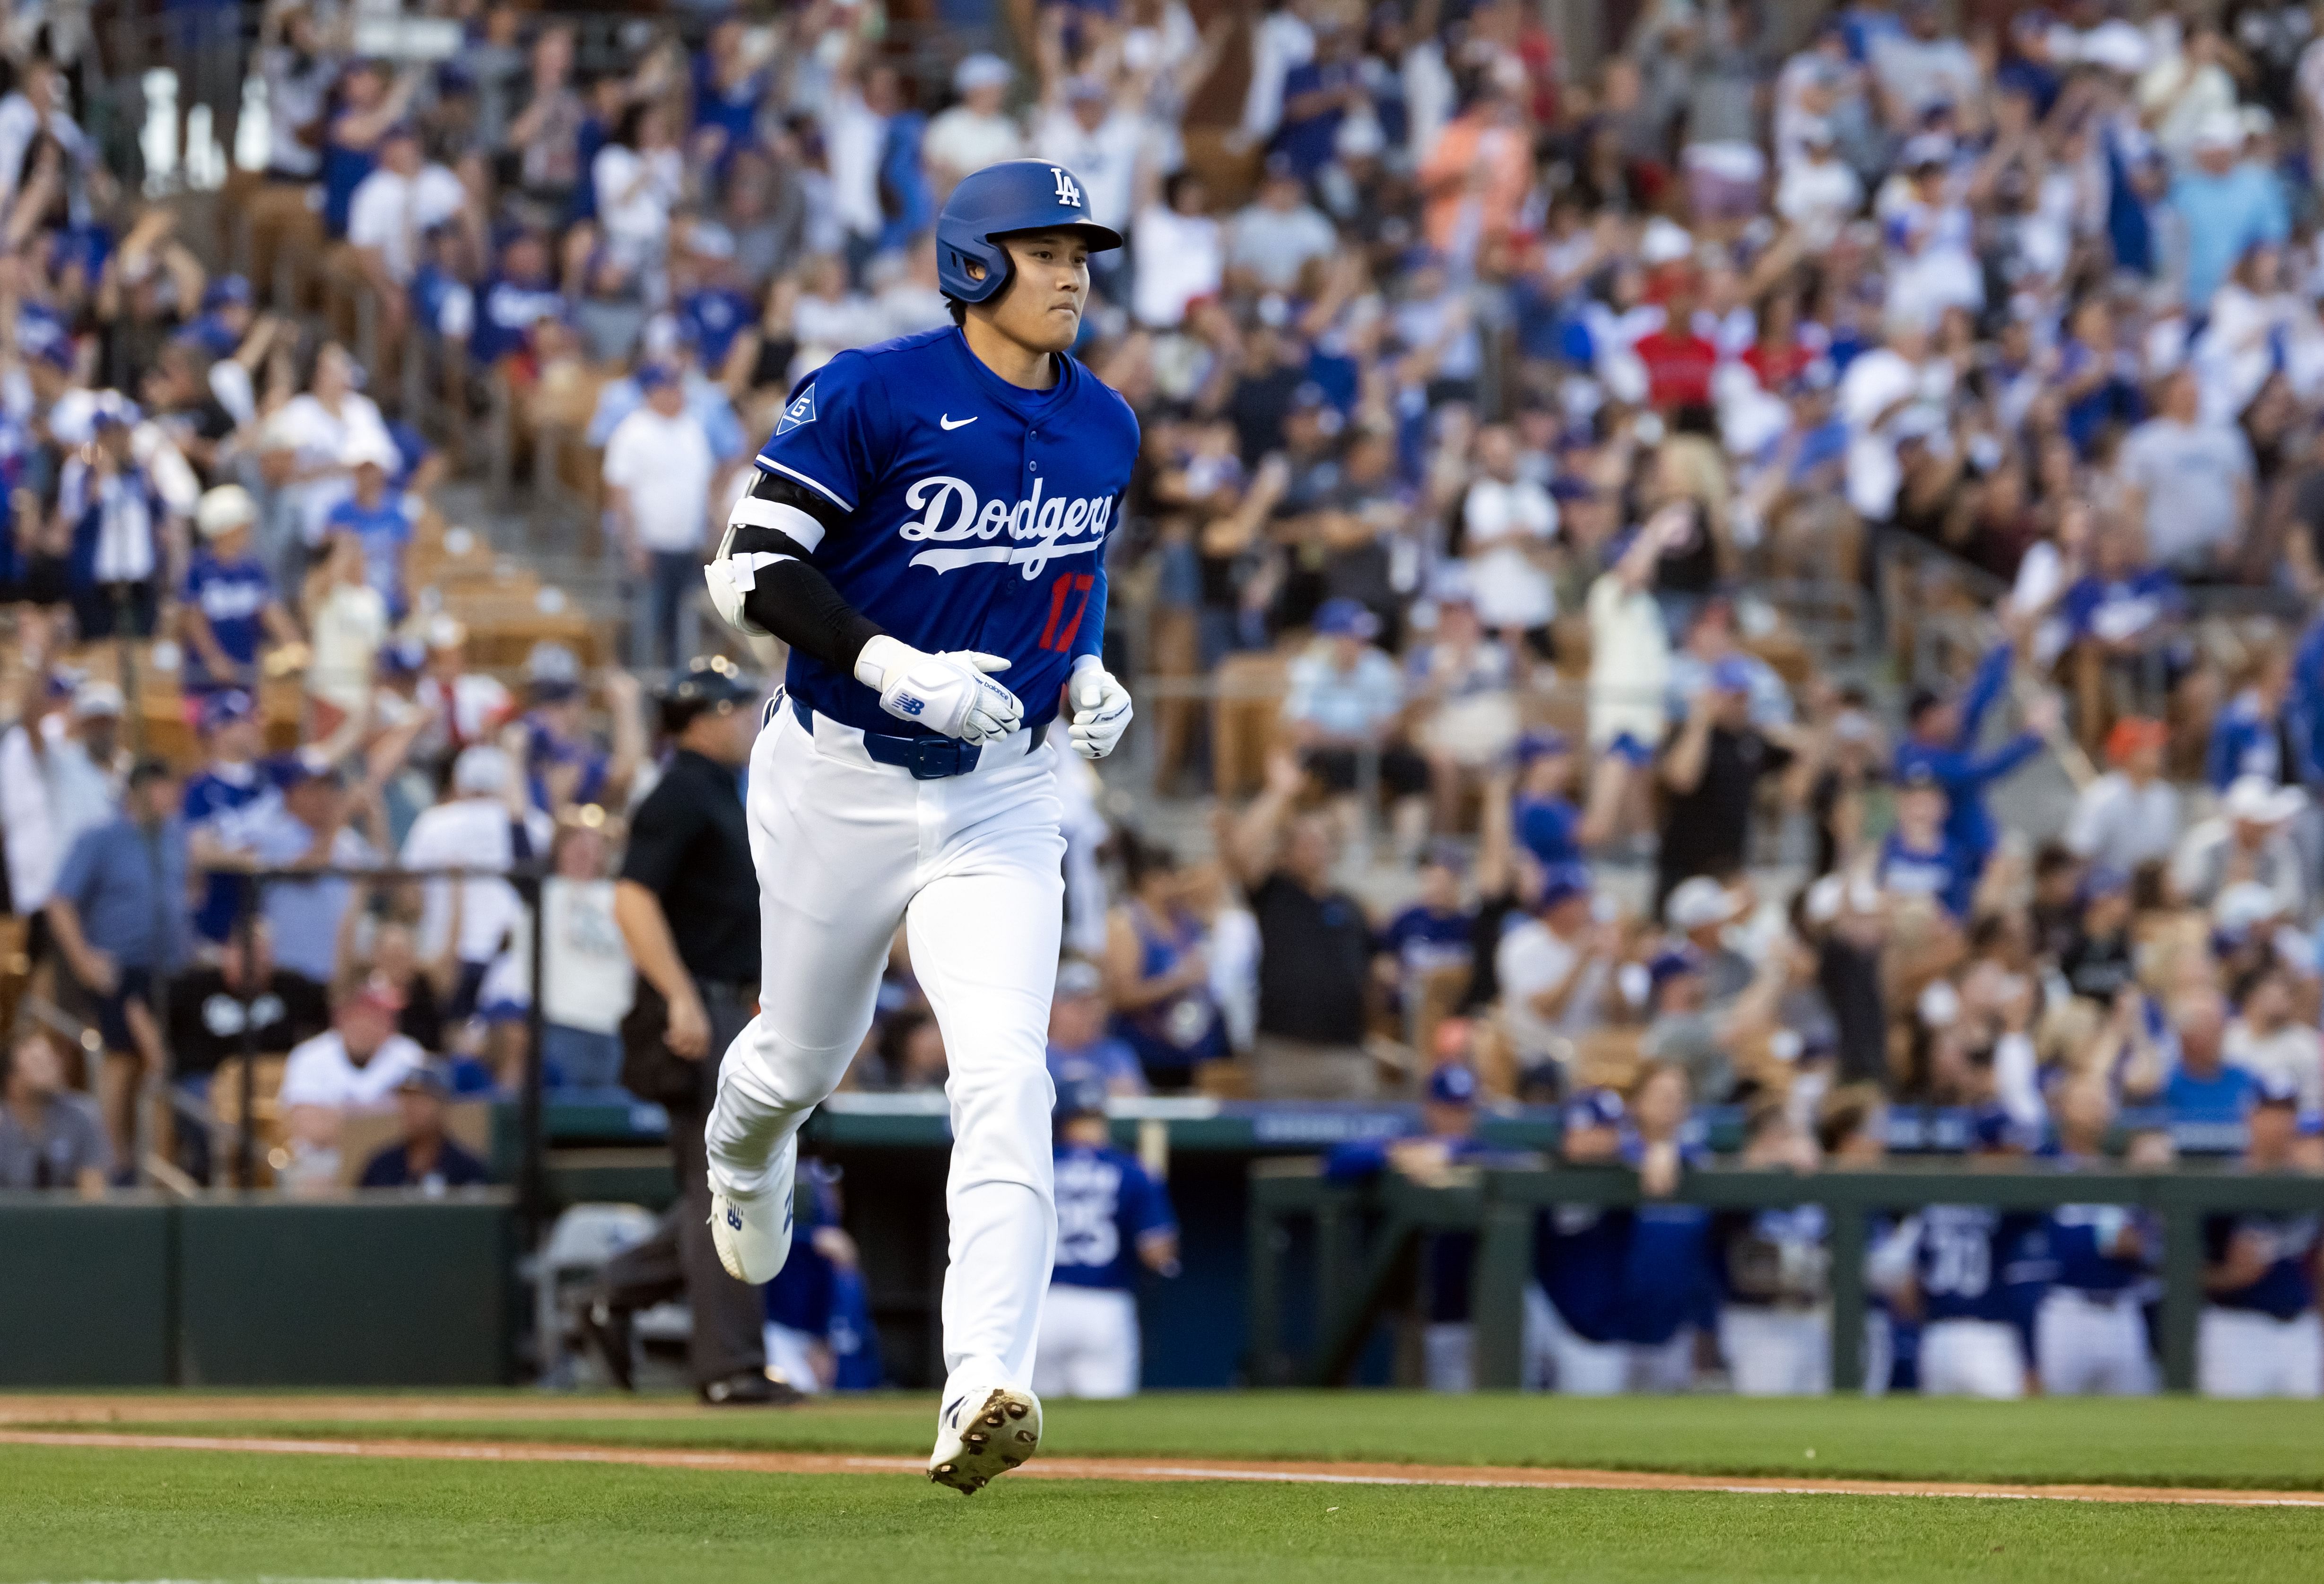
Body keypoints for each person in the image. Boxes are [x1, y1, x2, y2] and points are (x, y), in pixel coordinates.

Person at [697, 160, 1138, 1488]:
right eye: (1043, 246)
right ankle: (742, 1140)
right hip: (839, 773)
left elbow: (1066, 585)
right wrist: (890, 661)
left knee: (1007, 1072)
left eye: (1080, 250)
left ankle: (980, 1382)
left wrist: (1086, 674)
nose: (1070, 270)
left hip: (1000, 793)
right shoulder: (868, 388)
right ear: (971, 263)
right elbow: (748, 567)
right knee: (800, 1058)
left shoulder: (1104, 422)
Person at [592, 658, 780, 1407]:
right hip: (700, 1007)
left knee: (738, 1182)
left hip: (732, 1000)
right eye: (734, 709)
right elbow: (632, 899)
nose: (744, 720)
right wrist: (680, 998)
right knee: (726, 1182)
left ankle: (611, 1291)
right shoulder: (678, 791)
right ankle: (729, 1367)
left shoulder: (717, 791)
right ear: (702, 717)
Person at [44, 758, 190, 1170]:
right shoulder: (101, 838)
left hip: (170, 966)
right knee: (122, 1056)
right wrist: (85, 959)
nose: (170, 798)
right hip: (120, 965)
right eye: (163, 788)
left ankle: (162, 1157)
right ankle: (110, 1157)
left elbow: (186, 890)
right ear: (139, 792)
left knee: (168, 1059)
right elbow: (60, 903)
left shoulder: (175, 837)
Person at [1033, 1081, 1179, 1400]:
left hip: (1041, 1306)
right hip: (1105, 1306)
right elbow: (1157, 1254)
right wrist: (1156, 1189)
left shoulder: (1036, 1167)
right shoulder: (1131, 1170)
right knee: (1108, 1417)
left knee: (1033, 1421)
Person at [2199, 1078, 2322, 1397]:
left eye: (2286, 1112)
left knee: (2304, 1440)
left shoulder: (2309, 1185)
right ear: (2250, 1115)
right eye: (2269, 1110)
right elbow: (2179, 1268)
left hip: (2298, 1328)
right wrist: (2228, 1276)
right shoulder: (2219, 1185)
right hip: (2236, 1328)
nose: (2278, 1121)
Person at [2037, 1079, 2158, 1395]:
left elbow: (2145, 1240)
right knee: (2055, 1422)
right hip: (2067, 1308)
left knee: (2132, 1423)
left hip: (2122, 1308)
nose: (2097, 1110)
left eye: (2101, 1102)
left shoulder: (2121, 1169)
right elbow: (2052, 1241)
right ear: (2062, 1108)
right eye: (2086, 1101)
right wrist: (2100, 1241)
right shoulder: (2044, 1163)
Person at [603, 362, 720, 668]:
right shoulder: (633, 431)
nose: (675, 394)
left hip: (686, 545)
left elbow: (703, 485)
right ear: (652, 393)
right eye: (667, 388)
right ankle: (638, 691)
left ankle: (678, 694)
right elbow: (619, 492)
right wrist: (632, 545)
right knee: (645, 622)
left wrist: (711, 532)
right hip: (648, 545)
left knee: (683, 626)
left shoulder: (691, 427)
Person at [278, 976, 429, 1182]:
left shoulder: (410, 1056)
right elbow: (312, 1130)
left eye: (384, 1014)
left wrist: (339, 1116)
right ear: (342, 1017)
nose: (379, 1021)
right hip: (323, 1163)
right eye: (368, 1013)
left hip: (392, 1164)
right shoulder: (310, 1056)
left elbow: (420, 1127)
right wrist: (384, 1116)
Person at [0, 1034, 109, 1194]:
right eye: (38, 1062)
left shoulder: (82, 1115)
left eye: (51, 1060)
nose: (52, 1067)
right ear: (12, 1079)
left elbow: (93, 1197)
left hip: (69, 1219)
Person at [357, 1063, 490, 1191]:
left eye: (421, 1101)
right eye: (407, 1100)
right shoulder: (382, 1165)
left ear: (442, 1105)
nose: (411, 1109)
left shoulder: (465, 1167)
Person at [1046, 959, 1146, 1099]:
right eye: (1080, 1005)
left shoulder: (1116, 1053)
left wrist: (1088, 1081)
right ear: (1054, 1008)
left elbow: (1134, 1101)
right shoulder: (1039, 1054)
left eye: (1096, 1004)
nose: (1091, 1013)